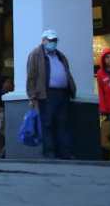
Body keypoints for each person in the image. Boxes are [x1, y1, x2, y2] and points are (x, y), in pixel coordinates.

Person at [26, 28, 77, 160]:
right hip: (46, 94)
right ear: (43, 41)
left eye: (55, 40)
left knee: (63, 123)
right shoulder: (36, 54)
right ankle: (49, 153)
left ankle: (65, 153)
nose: (53, 42)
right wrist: (32, 95)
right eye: (50, 40)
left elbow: (67, 72)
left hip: (63, 93)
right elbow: (31, 76)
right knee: (47, 124)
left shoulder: (60, 55)